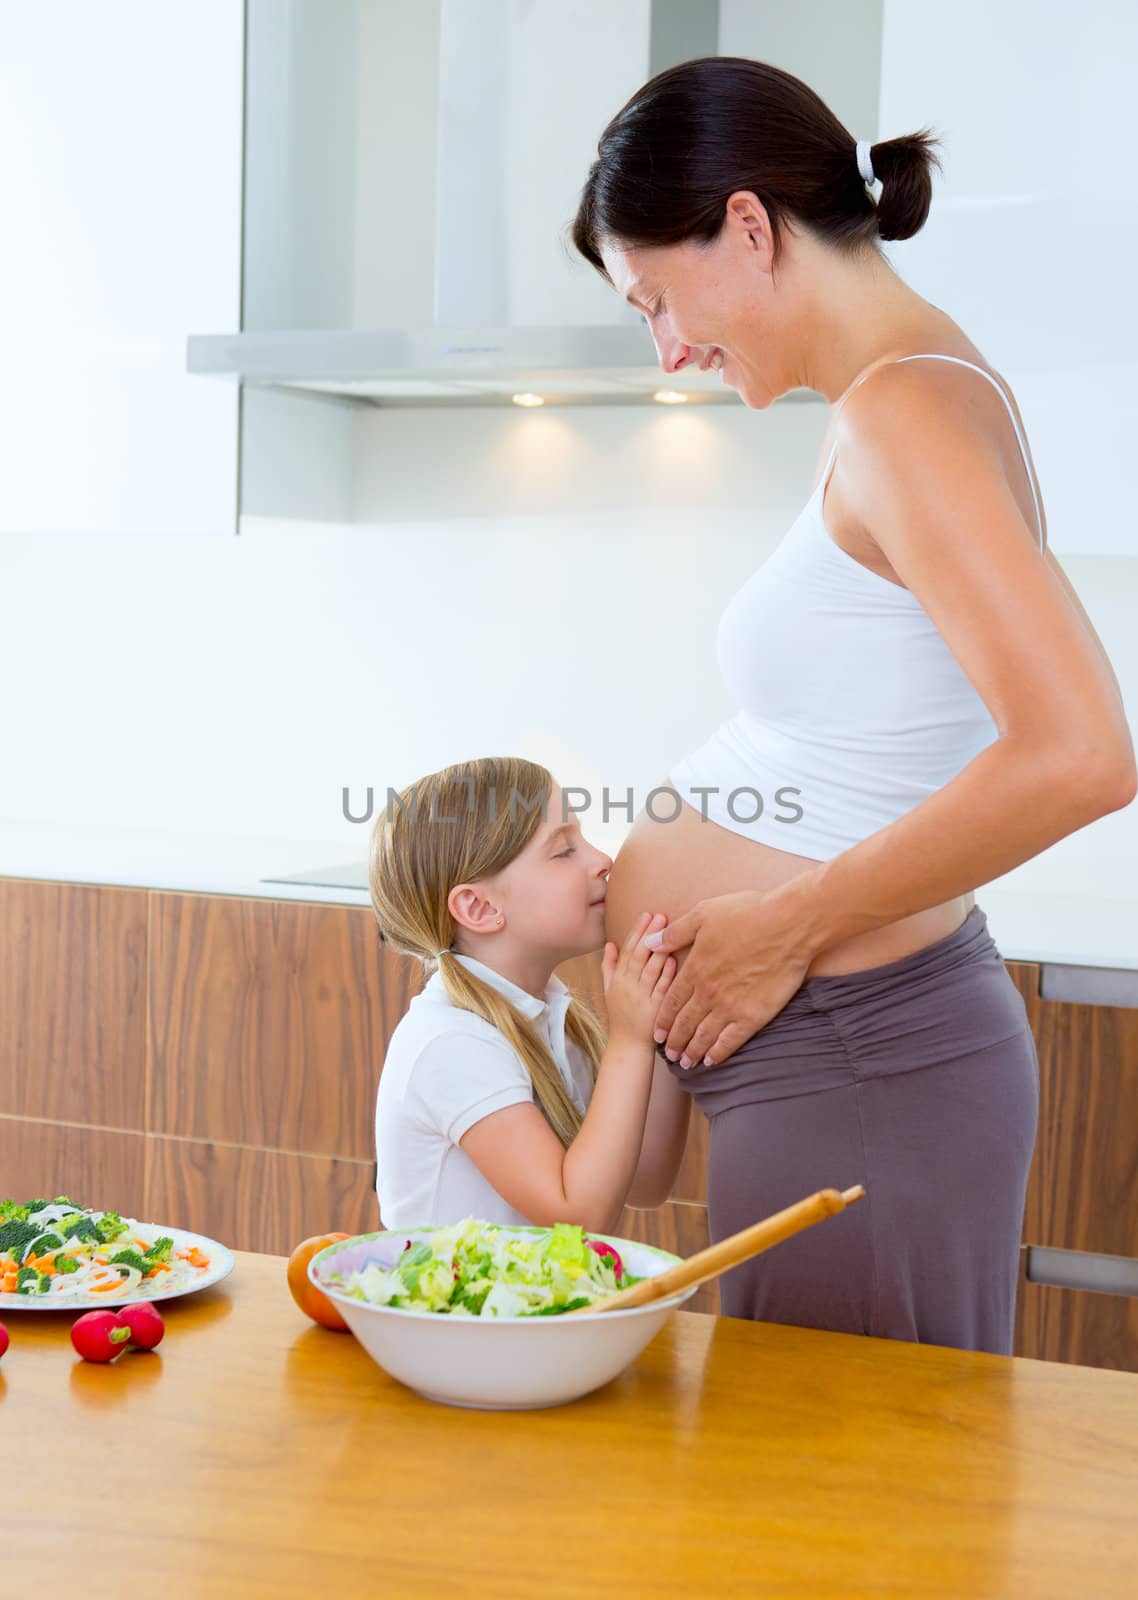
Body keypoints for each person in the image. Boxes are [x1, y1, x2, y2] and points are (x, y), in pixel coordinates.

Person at [569, 56, 1136, 1354]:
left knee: (840, 1522)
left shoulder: (906, 412)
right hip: (833, 1059)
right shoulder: (890, 401)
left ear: (751, 226)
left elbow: (1084, 755)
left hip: (858, 1058)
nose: (665, 350)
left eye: (657, 297)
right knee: (815, 1513)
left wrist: (783, 925)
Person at [367, 756, 676, 1235]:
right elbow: (578, 1215)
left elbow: (647, 1181)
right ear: (479, 907)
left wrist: (660, 1019)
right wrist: (631, 1041)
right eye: (564, 851)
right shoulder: (452, 1043)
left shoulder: (552, 1019)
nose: (603, 860)